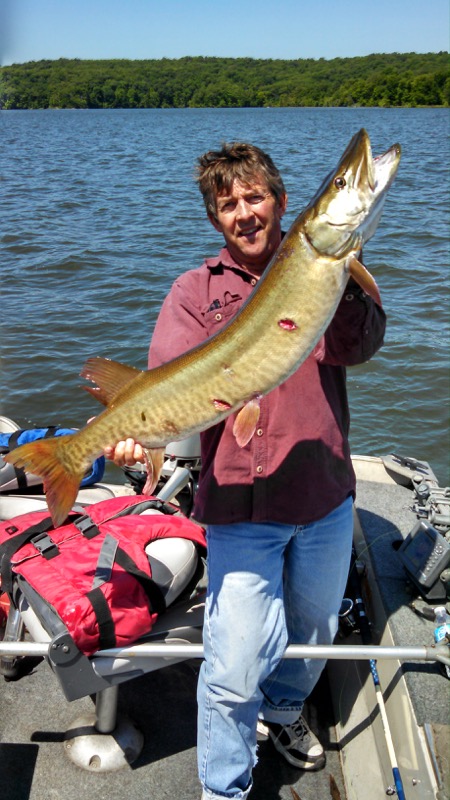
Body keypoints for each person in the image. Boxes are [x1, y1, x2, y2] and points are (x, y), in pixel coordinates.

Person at [106, 142, 386, 800]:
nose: (244, 212)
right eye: (228, 204)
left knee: (313, 631)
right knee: (233, 665)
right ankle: (224, 789)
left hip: (322, 494)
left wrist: (346, 273)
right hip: (239, 506)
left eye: (255, 197)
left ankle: (283, 711)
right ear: (215, 219)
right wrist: (136, 433)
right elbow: (166, 385)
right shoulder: (194, 291)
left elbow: (361, 345)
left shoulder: (326, 266)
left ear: (283, 203)